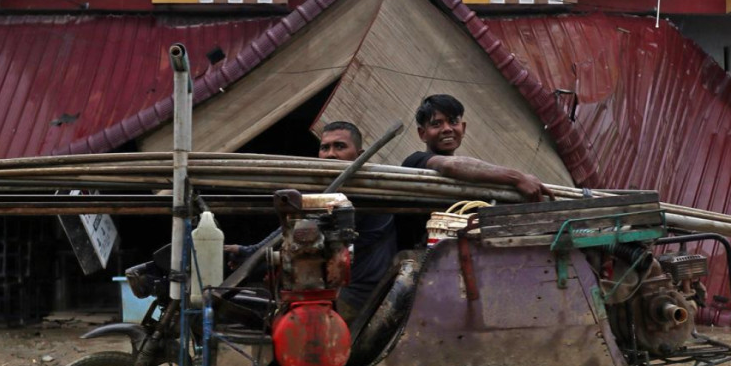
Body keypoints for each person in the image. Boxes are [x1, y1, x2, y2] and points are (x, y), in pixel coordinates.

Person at [225, 121, 397, 323]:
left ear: (359, 155)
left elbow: (305, 230)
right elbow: (292, 226)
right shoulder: (327, 194)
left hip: (359, 297)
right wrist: (251, 251)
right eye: (325, 148)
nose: (330, 154)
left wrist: (253, 255)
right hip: (334, 290)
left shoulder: (365, 194)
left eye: (340, 146)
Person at [402, 94, 553, 202]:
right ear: (423, 134)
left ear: (464, 128)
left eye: (453, 121)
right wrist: (518, 178)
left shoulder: (474, 175)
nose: (447, 129)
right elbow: (451, 166)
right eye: (436, 124)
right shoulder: (416, 161)